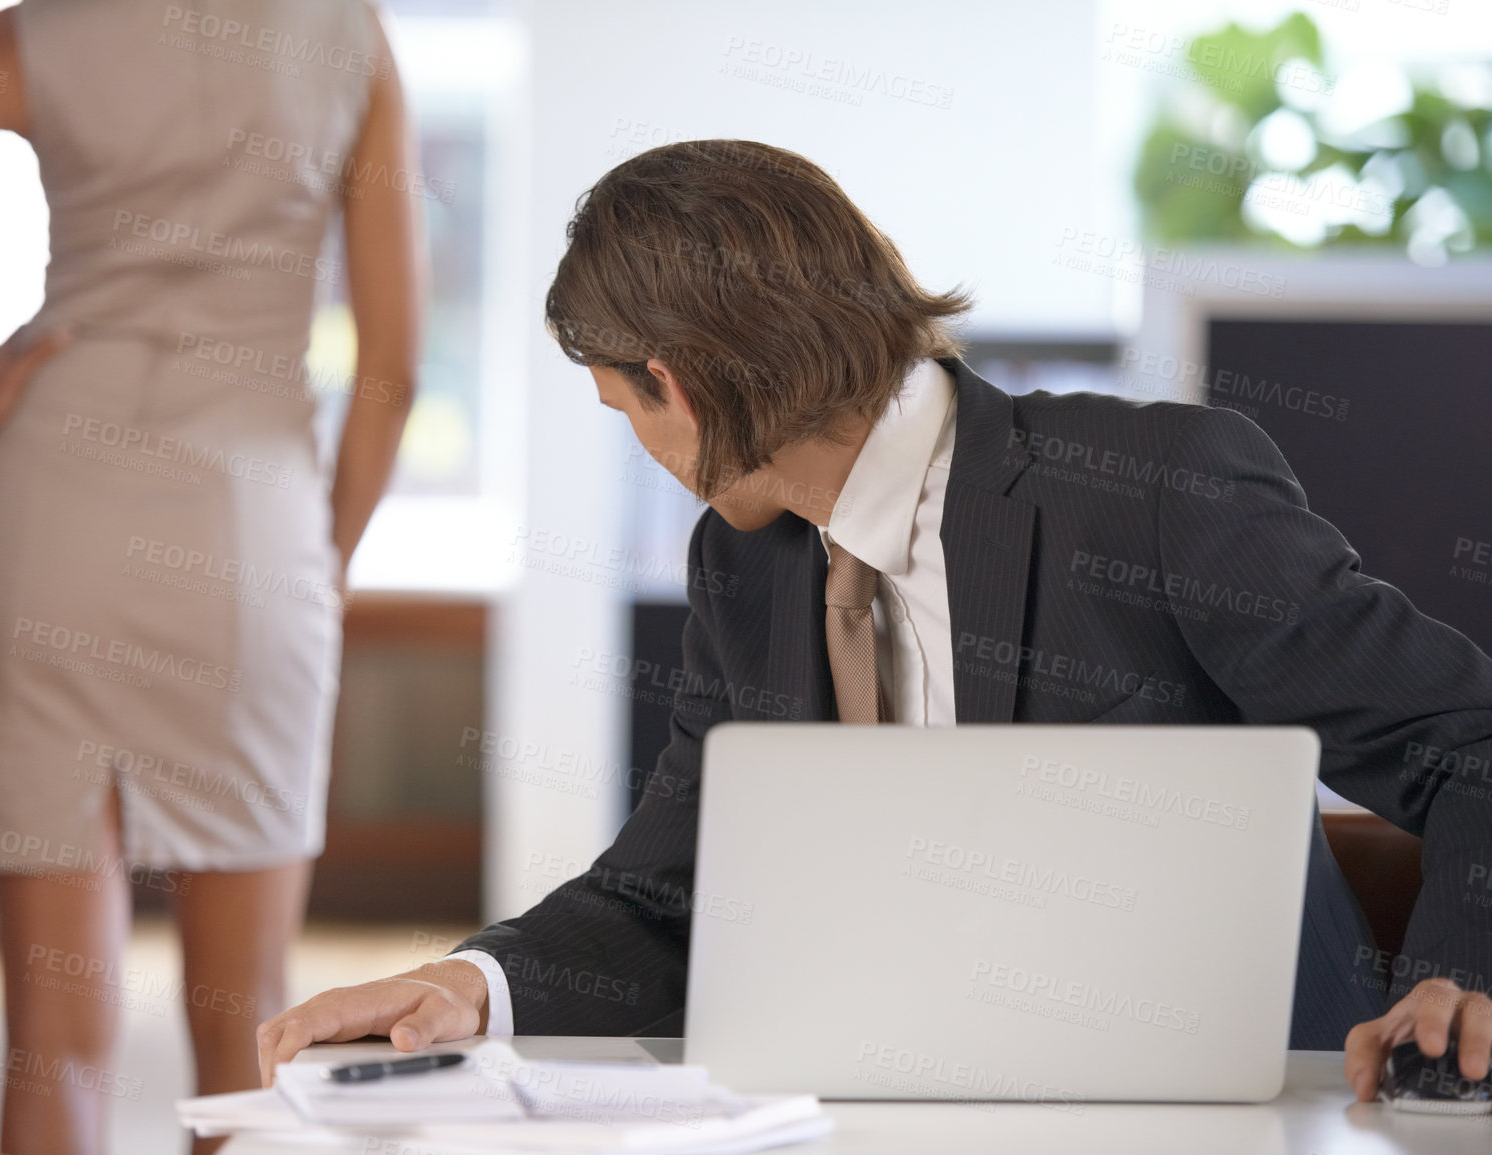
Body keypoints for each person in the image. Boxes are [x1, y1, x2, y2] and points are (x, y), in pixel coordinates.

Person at [255, 140, 1492, 1103]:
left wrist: (1457, 981)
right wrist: (461, 986)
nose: (640, 443)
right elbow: (672, 891)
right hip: (904, 1104)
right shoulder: (743, 568)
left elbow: (1469, 743)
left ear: (675, 384)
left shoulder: (1150, 492)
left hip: (1239, 1110)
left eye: (618, 403)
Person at [0, 2, 418, 1152]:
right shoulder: (345, 35)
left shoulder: (28, 37)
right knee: (249, 1042)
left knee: (54, 1046)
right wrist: (320, 564)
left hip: (46, 523)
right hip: (247, 531)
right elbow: (396, 366)